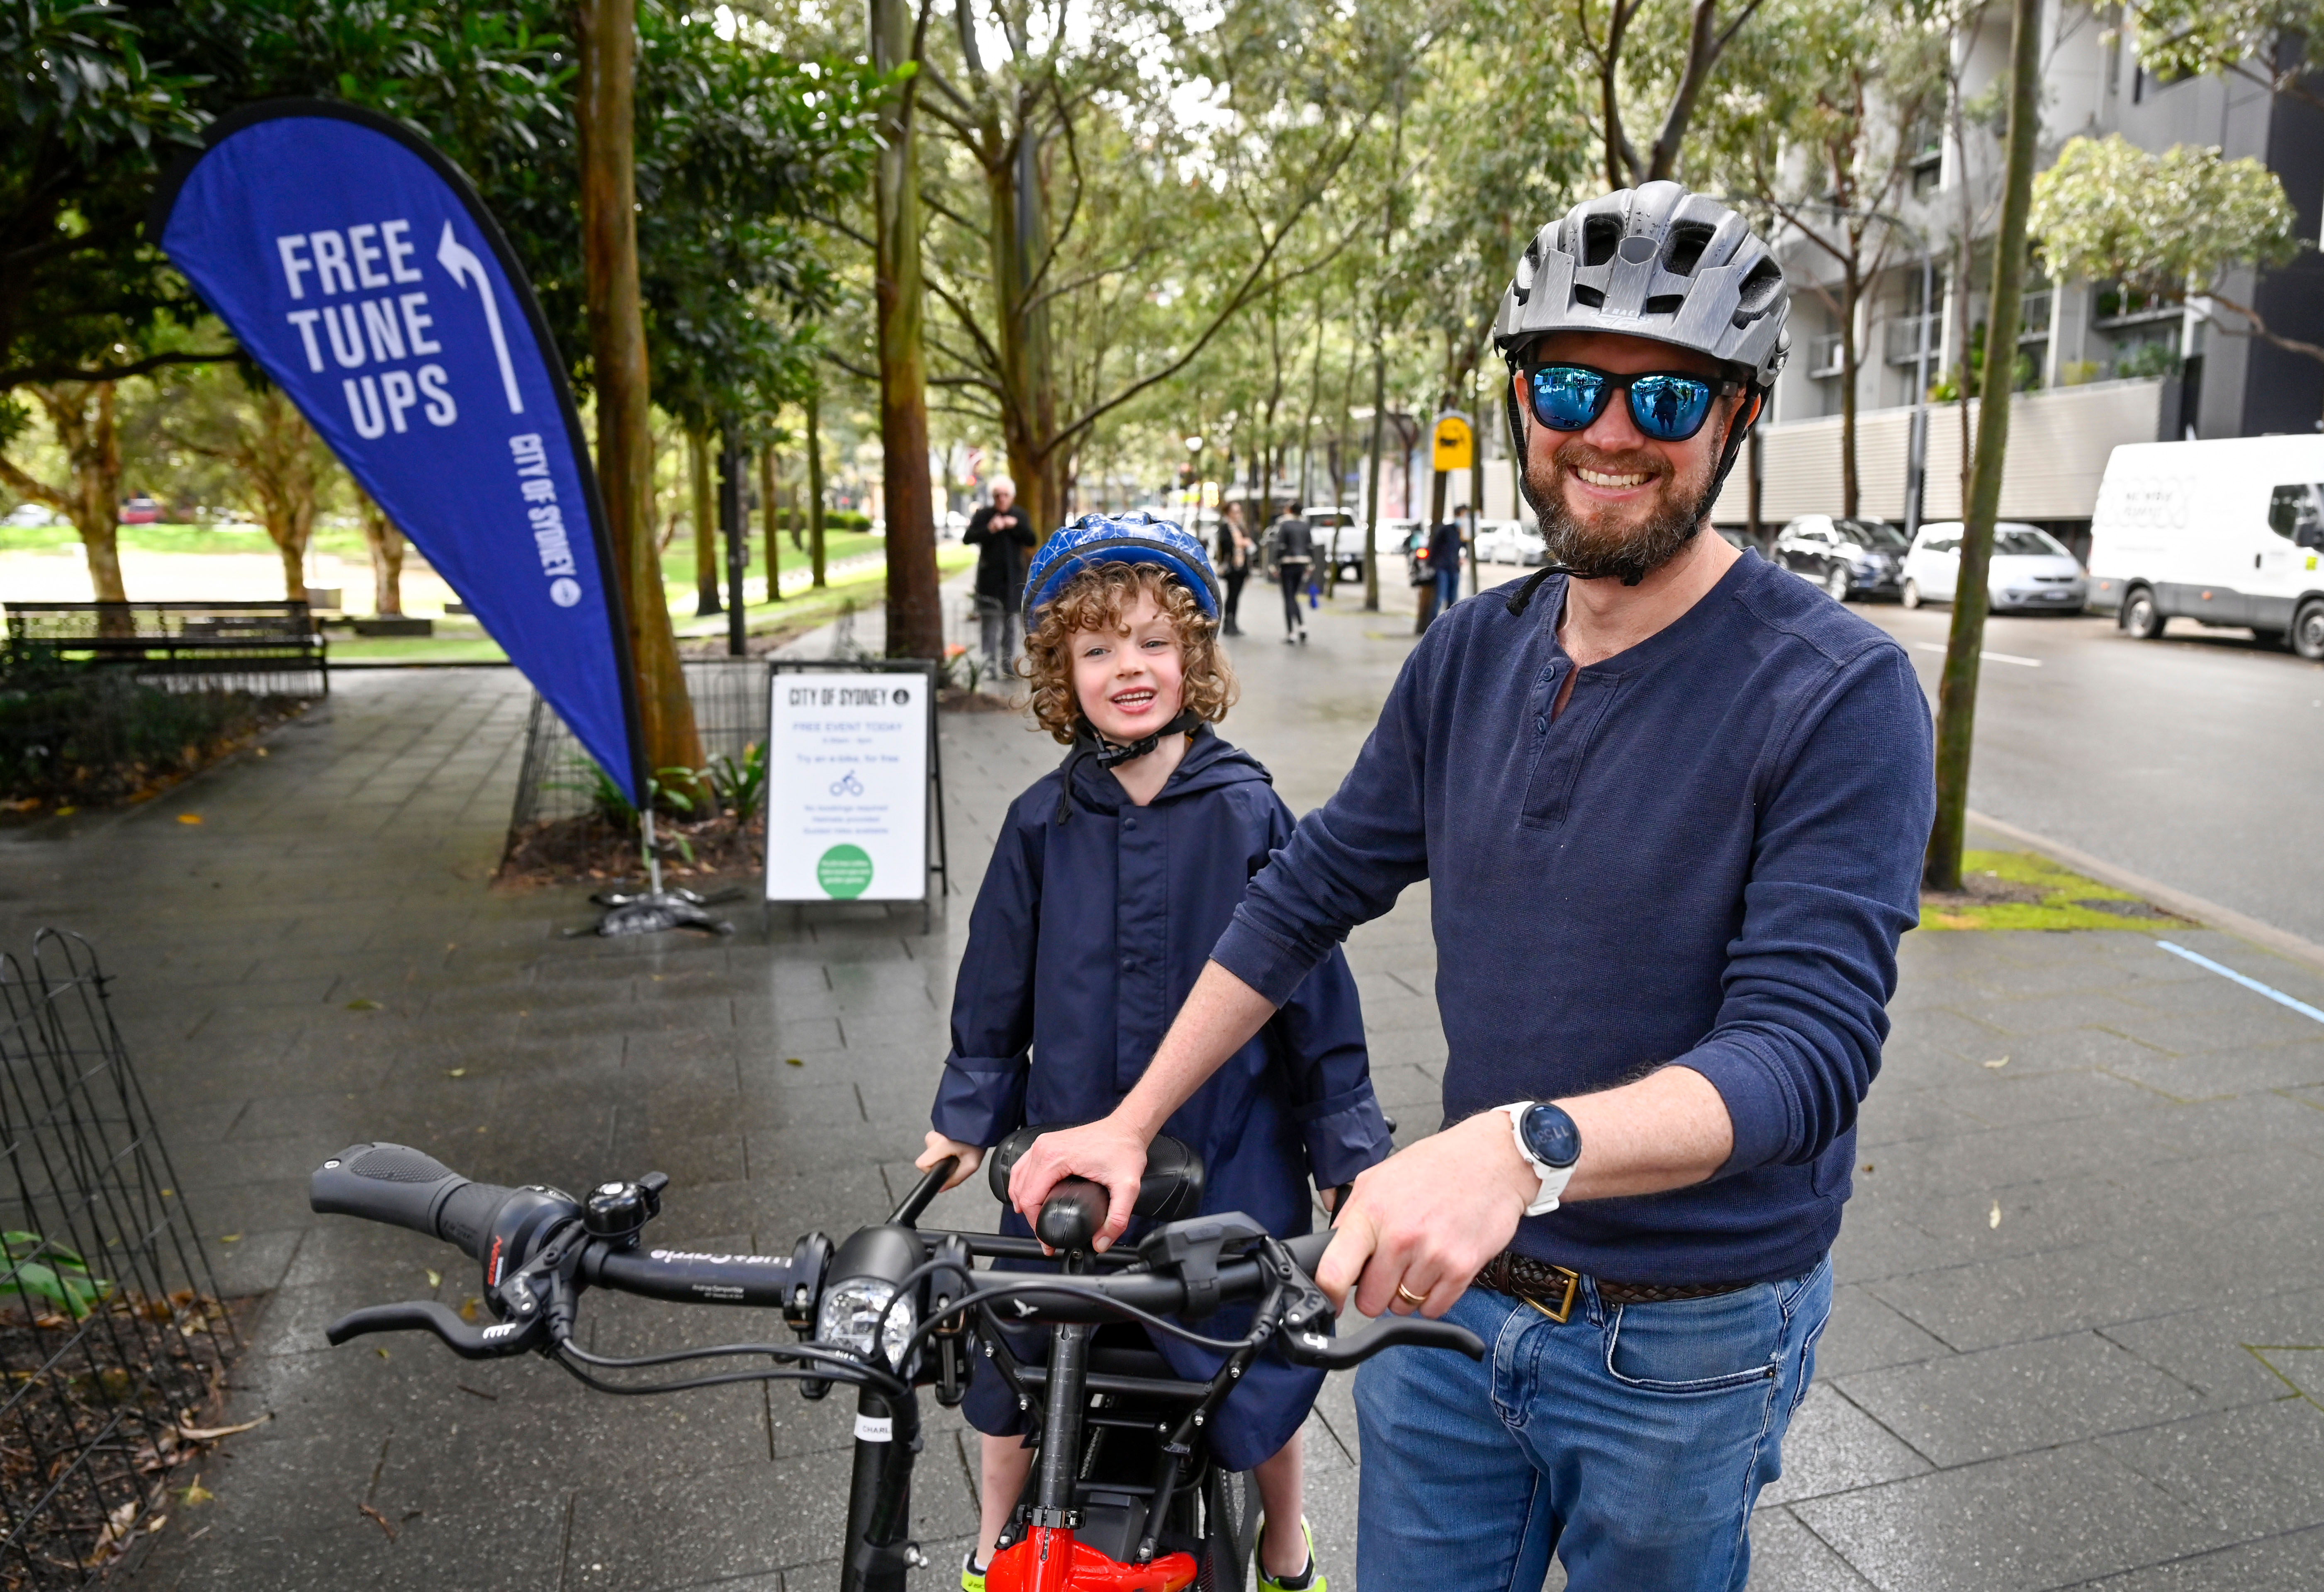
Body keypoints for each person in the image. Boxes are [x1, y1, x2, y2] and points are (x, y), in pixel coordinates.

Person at [1000, 183, 1937, 1592]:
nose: (1609, 432)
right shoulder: (1468, 654)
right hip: (1448, 1306)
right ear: (1517, 401)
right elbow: (1303, 890)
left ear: (1737, 421)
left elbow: (1803, 1052)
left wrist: (1521, 1148)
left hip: (1684, 1333)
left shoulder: (1839, 693)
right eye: (1570, 382)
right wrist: (1128, 1121)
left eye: (1667, 399)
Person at [914, 511, 1391, 1592]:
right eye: (1096, 648)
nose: (1127, 667)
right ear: (1059, 669)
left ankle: (1283, 1541)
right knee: (1015, 1356)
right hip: (1073, 1148)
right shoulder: (1041, 823)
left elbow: (1313, 989)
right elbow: (993, 986)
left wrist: (1344, 1145)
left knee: (1263, 1363)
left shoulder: (1250, 813)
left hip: (1235, 1147)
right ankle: (996, 1536)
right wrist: (964, 1116)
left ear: (1194, 653)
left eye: (1151, 641)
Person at [963, 477, 1036, 669]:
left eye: (1005, 495)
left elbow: (1031, 539)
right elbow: (968, 538)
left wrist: (1015, 526)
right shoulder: (984, 515)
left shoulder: (1019, 515)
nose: (1002, 499)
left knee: (1011, 625)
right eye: (997, 496)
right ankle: (988, 666)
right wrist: (990, 529)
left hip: (1013, 579)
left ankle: (1008, 664)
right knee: (990, 624)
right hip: (990, 581)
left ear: (1012, 497)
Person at [1269, 500, 1314, 644]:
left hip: (1287, 564)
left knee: (1288, 597)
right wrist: (1310, 564)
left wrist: (1274, 564)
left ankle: (1291, 633)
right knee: (1294, 596)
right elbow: (1310, 545)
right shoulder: (1305, 525)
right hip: (1302, 564)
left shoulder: (1284, 524)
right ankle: (1302, 626)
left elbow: (1280, 545)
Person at [1216, 501, 1256, 636]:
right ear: (1229, 513)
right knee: (1232, 596)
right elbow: (1225, 544)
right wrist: (1239, 543)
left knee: (1237, 596)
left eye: (1239, 511)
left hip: (1242, 567)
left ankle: (1234, 623)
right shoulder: (1226, 527)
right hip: (1232, 568)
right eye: (1235, 512)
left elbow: (1249, 546)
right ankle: (1228, 623)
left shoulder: (1241, 527)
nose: (1238, 515)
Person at [1425, 517, 1463, 627]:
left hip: (1454, 568)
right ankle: (1432, 627)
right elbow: (1435, 547)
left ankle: (1449, 626)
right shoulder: (1446, 530)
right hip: (1442, 567)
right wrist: (1432, 565)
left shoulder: (1463, 532)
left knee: (1453, 599)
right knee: (1440, 598)